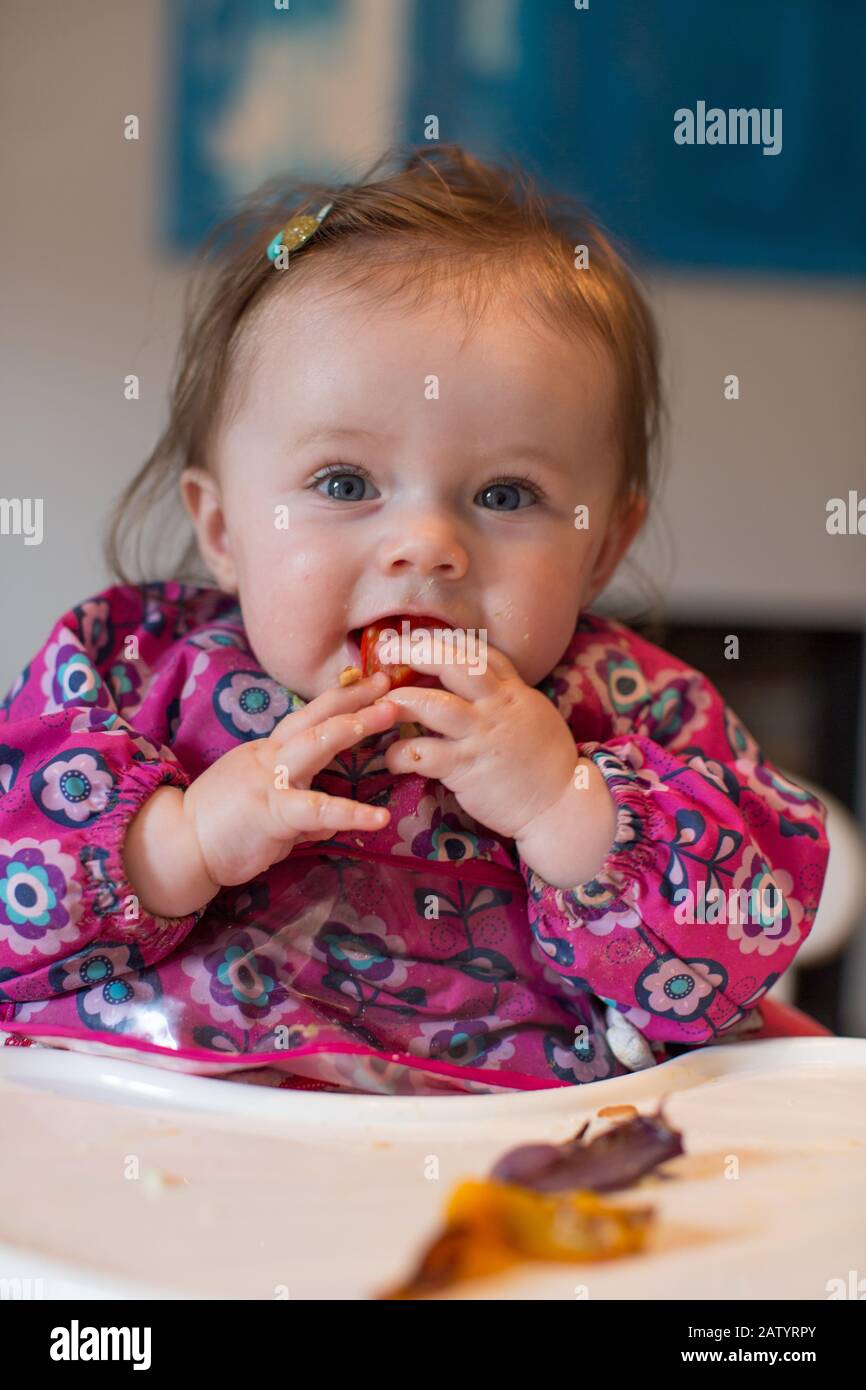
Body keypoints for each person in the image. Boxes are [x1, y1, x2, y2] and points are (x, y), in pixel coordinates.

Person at [0, 146, 830, 1094]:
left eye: (505, 494)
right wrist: (184, 841)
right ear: (223, 528)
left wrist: (566, 807)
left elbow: (744, 935)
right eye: (344, 483)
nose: (427, 546)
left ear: (601, 548)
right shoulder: (131, 671)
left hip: (517, 1149)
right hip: (165, 1134)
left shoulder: (639, 711)